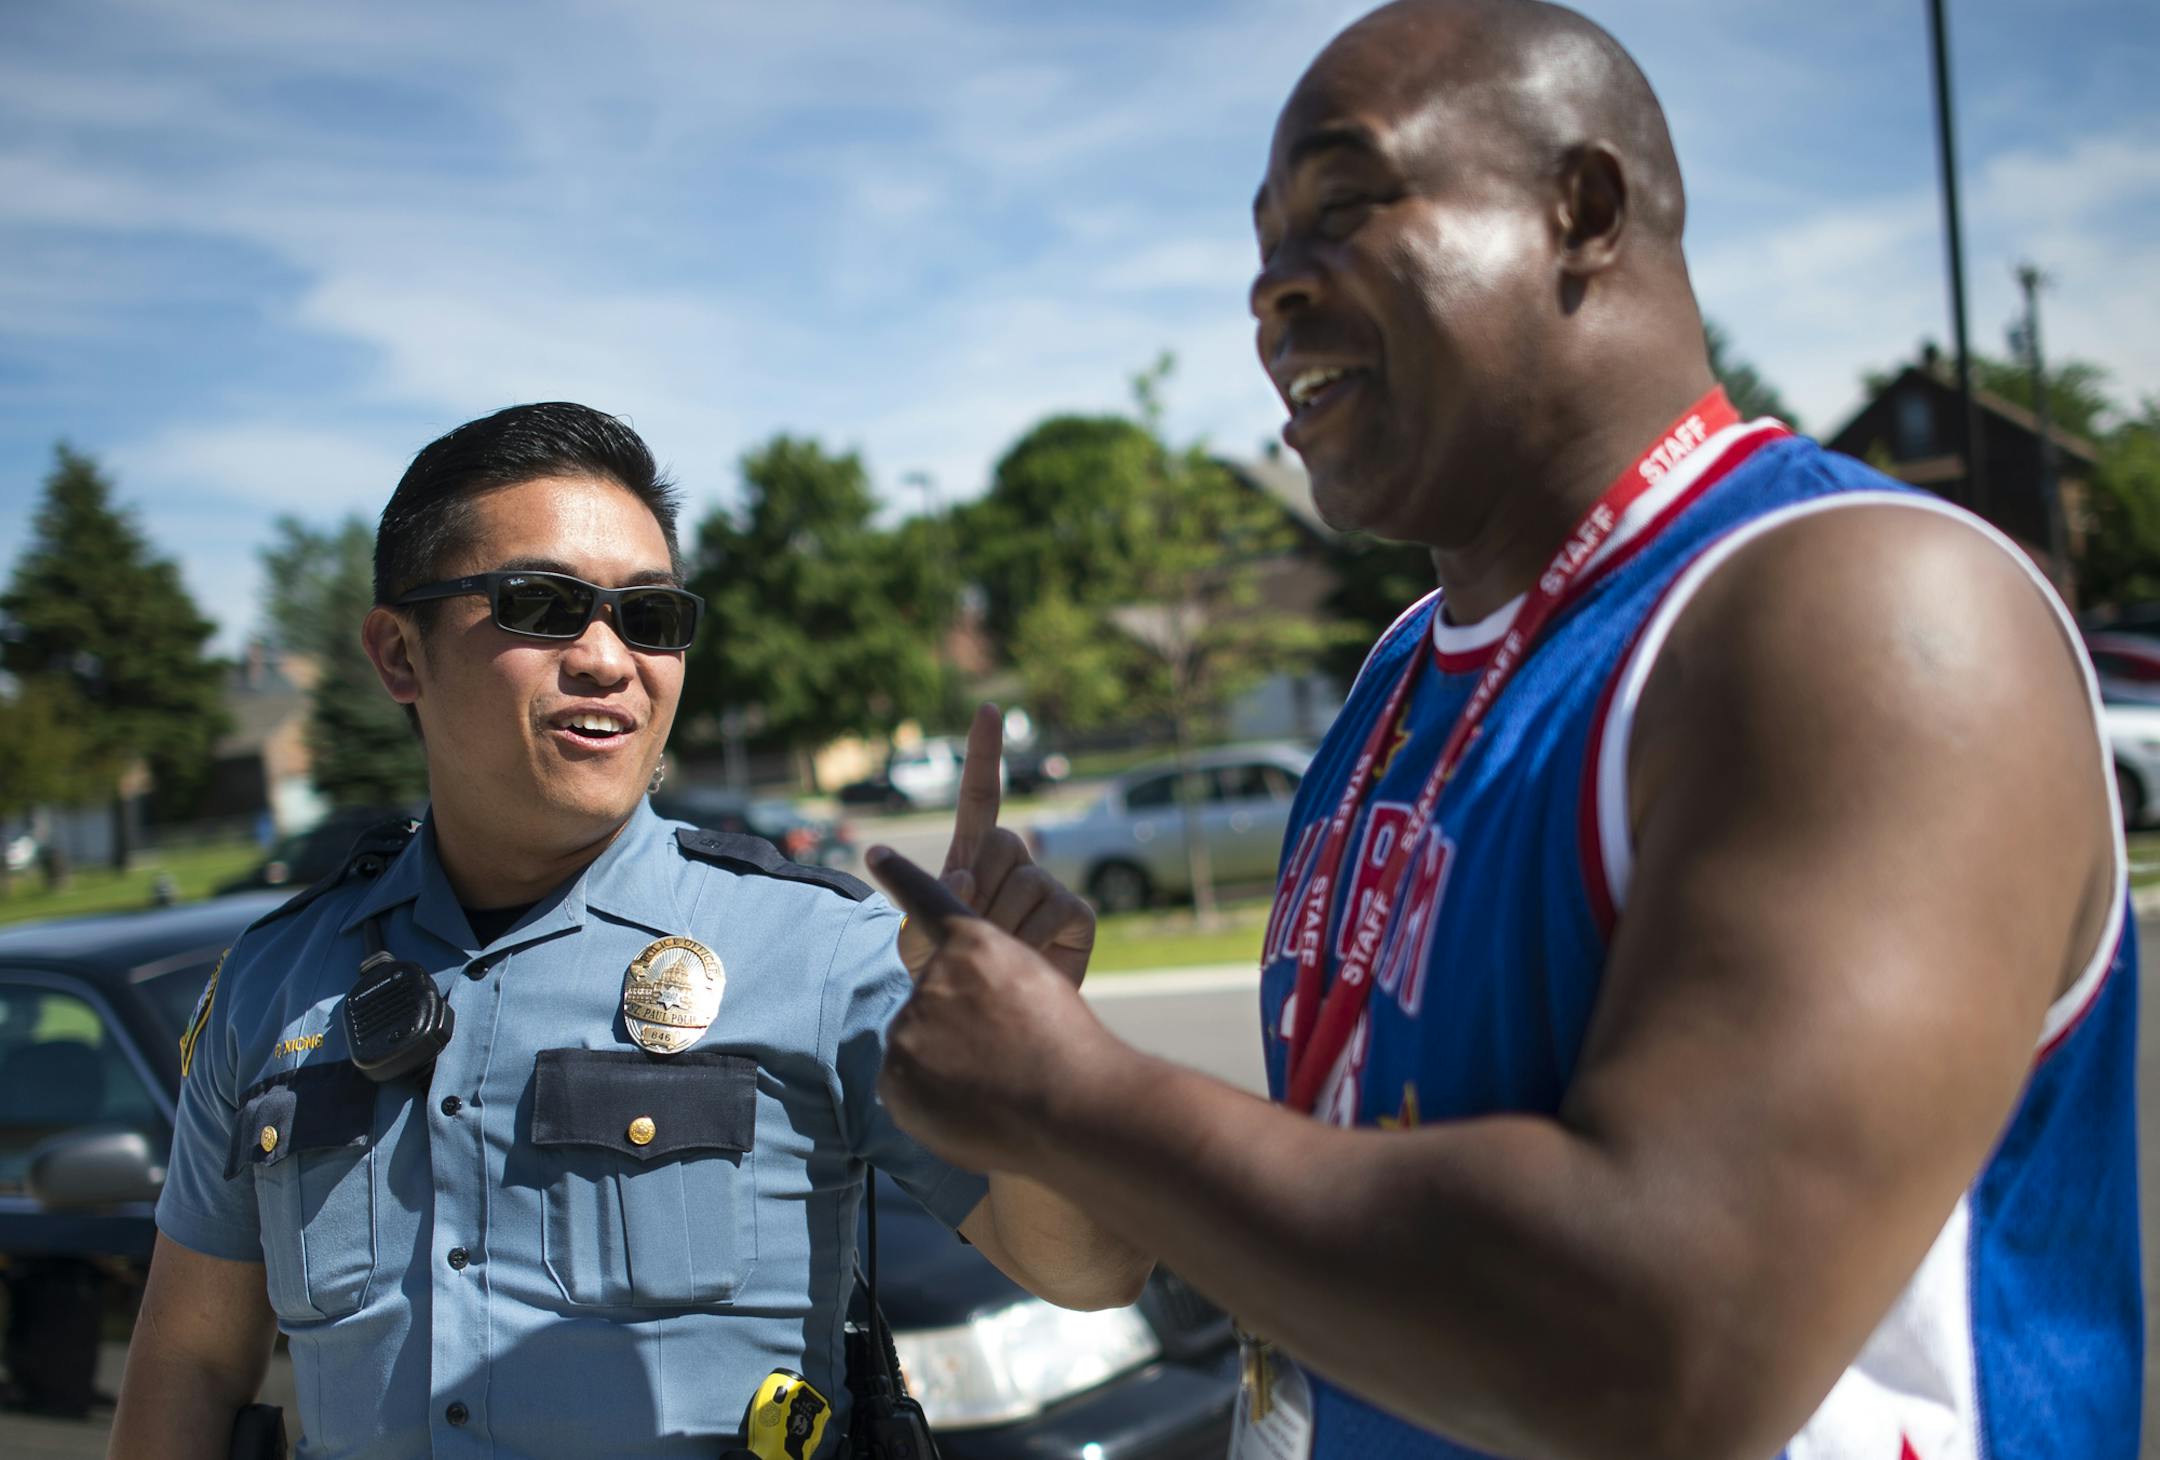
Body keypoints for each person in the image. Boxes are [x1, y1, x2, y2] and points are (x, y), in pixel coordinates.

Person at [857, 3, 2140, 1457]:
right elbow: (1127, 1262)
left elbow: (1665, 1351)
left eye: (1343, 206)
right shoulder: (1405, 676)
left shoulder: (1859, 608)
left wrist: (1073, 1096)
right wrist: (1035, 1076)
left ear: (1579, 210)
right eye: (1264, 245)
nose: (1271, 293)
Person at [109, 402, 1148, 1460]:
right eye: (543, 604)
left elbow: (1093, 1271)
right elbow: (188, 1364)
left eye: (650, 618)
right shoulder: (272, 985)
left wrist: (1035, 1060)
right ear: (398, 652)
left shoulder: (819, 949)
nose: (609, 658)